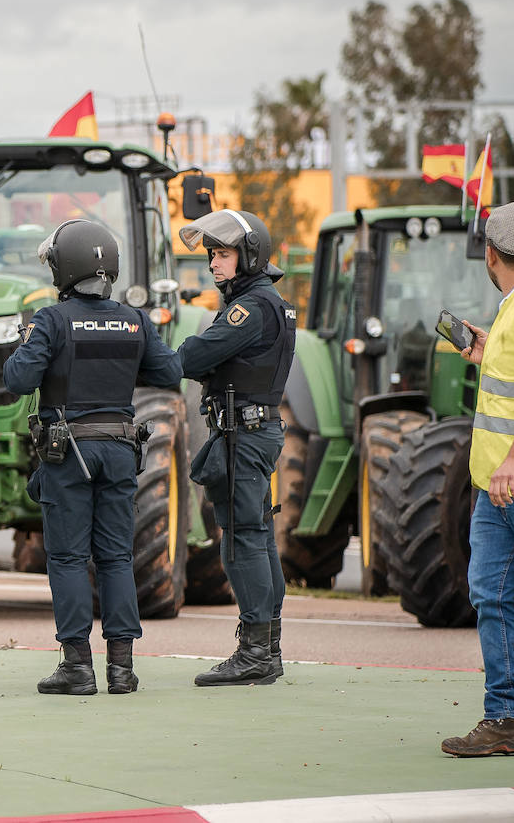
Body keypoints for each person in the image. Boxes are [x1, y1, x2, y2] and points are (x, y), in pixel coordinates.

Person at [2, 219, 182, 695]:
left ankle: (77, 666)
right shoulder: (135, 319)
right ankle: (122, 669)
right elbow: (169, 372)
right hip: (121, 450)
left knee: (66, 558)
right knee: (116, 558)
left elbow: (18, 379)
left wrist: (26, 342)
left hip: (69, 453)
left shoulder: (50, 320)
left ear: (65, 268)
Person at [177, 209, 296, 687]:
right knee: (257, 536)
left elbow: (197, 355)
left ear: (248, 256)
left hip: (243, 435)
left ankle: (255, 654)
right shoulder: (268, 302)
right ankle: (268, 650)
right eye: (211, 254)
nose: (213, 263)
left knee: (242, 539)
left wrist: (167, 355)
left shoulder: (251, 306)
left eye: (222, 254)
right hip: (250, 431)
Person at [442, 201, 514, 757]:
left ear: (491, 254)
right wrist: (483, 354)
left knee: (495, 599)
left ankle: (504, 716)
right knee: (491, 597)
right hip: (500, 493)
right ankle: (504, 719)